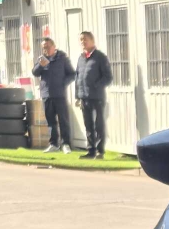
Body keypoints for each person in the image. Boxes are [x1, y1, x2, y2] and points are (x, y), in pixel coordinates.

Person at [33, 36, 76, 152]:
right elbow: (35, 73)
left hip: (60, 95)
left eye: (47, 47)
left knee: (63, 120)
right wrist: (40, 65)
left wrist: (63, 83)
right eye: (43, 48)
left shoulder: (62, 58)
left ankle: (65, 144)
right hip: (46, 94)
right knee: (50, 121)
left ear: (54, 47)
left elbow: (72, 74)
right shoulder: (41, 59)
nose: (45, 50)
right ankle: (54, 144)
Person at [74, 30, 113, 159]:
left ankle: (100, 151)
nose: (83, 42)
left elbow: (108, 77)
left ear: (92, 40)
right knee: (88, 125)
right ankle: (91, 151)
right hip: (84, 97)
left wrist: (96, 85)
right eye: (81, 40)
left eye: (85, 39)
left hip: (97, 97)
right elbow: (77, 77)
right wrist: (77, 96)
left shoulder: (100, 57)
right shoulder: (81, 58)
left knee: (98, 125)